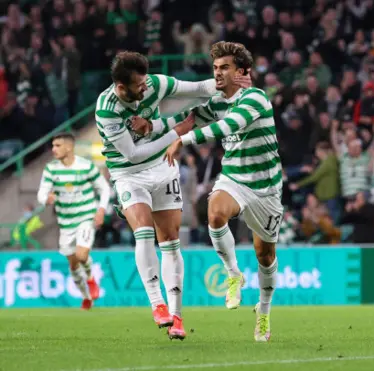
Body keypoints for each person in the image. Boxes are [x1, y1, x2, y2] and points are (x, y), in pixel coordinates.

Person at [94, 51, 251, 340]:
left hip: (163, 169)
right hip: (129, 173)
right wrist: (176, 133)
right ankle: (157, 304)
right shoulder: (107, 109)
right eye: (138, 85)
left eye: (145, 82)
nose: (145, 88)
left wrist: (229, 81)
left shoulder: (154, 83)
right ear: (120, 87)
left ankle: (177, 318)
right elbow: (133, 152)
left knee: (170, 242)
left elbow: (197, 89)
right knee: (142, 231)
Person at [161, 41, 282, 342]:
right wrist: (149, 127)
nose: (217, 73)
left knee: (264, 254)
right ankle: (233, 274)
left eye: (224, 67)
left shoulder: (256, 98)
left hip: (266, 188)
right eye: (215, 67)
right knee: (215, 213)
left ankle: (263, 313)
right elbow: (184, 119)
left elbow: (227, 126)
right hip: (235, 180)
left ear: (241, 72)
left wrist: (185, 140)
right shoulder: (217, 102)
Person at [36, 133, 111, 310]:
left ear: (69, 147)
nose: (53, 149)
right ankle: (86, 296)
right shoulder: (51, 169)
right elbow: (41, 193)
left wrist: (101, 209)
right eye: (53, 146)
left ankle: (91, 280)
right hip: (65, 223)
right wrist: (46, 199)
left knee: (82, 255)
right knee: (73, 264)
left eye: (57, 145)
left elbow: (104, 188)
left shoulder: (86, 166)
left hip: (85, 217)